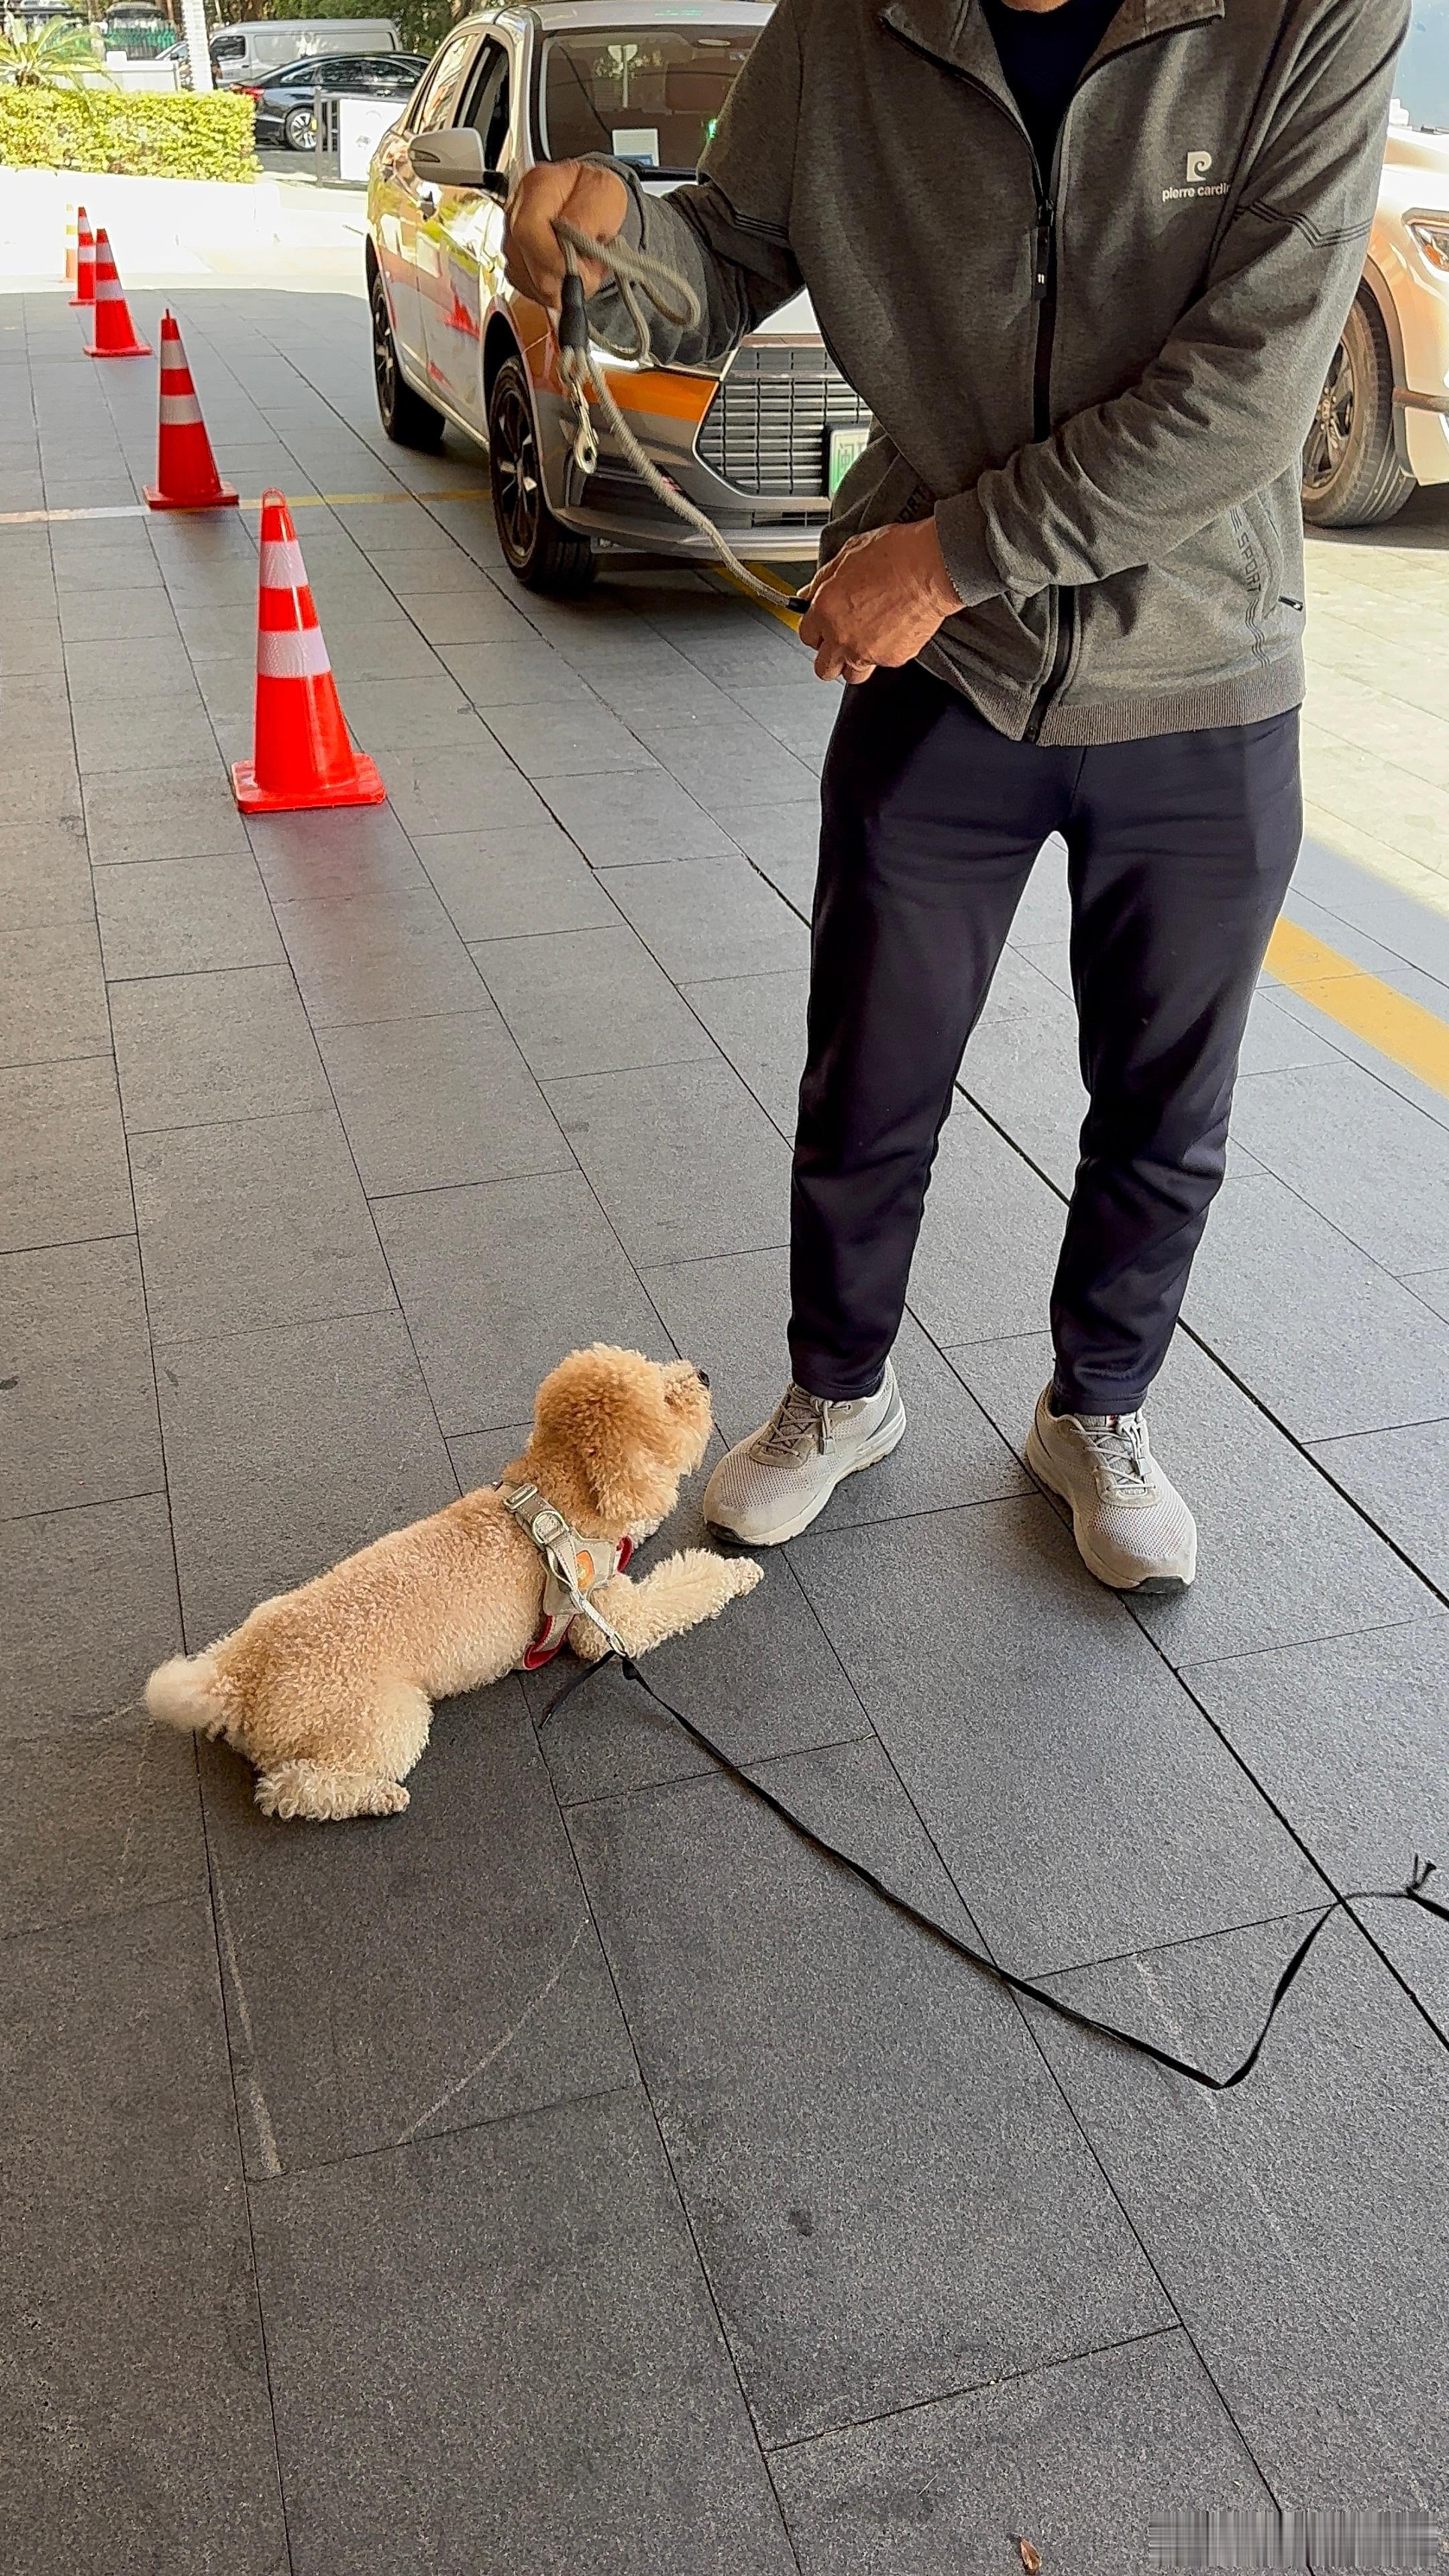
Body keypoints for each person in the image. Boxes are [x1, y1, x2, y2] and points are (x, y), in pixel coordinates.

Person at [504, 0, 1407, 1593]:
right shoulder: (846, 24)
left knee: (1166, 1099)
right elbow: (729, 254)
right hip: (947, 682)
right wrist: (616, 237)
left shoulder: (1308, 18)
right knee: (869, 1073)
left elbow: (1248, 393)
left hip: (1201, 665)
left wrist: (946, 559)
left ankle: (1098, 1410)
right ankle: (840, 1392)